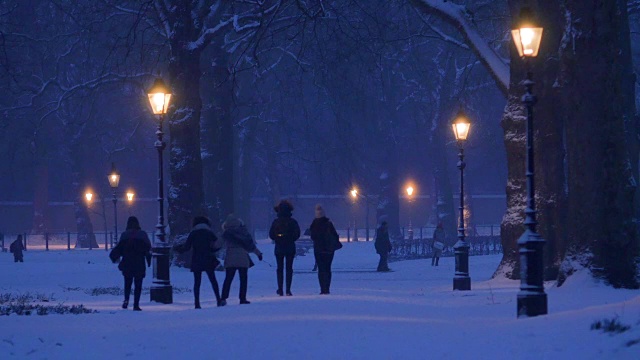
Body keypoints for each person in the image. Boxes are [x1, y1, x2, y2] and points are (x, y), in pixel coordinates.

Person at [175, 216, 224, 309]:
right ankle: (218, 299)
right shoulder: (209, 233)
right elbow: (215, 246)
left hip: (197, 259)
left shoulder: (193, 233)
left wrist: (178, 249)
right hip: (208, 258)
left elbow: (186, 247)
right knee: (213, 280)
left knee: (197, 282)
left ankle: (197, 303)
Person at [109, 216, 151, 311]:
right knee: (138, 284)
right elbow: (148, 248)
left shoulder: (124, 235)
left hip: (127, 262)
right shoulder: (143, 235)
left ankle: (126, 300)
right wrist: (148, 260)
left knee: (127, 283)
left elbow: (120, 249)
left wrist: (115, 257)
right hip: (139, 263)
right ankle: (136, 304)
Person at [220, 214, 263, 305]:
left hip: (230, 257)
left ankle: (223, 298)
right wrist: (258, 254)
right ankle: (242, 298)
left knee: (228, 279)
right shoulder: (244, 232)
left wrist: (210, 248)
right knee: (243, 279)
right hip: (243, 258)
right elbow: (251, 246)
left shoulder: (226, 233)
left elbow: (218, 244)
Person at [269, 200, 300, 296]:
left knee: (280, 268)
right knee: (289, 268)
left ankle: (280, 288)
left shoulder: (276, 222)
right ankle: (288, 289)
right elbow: (297, 234)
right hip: (290, 247)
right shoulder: (293, 222)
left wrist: (278, 238)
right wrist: (290, 239)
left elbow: (271, 235)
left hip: (279, 247)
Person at [309, 205, 341, 295]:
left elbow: (313, 236)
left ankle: (322, 288)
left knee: (321, 269)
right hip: (329, 250)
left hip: (318, 249)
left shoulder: (314, 224)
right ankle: (327, 288)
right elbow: (334, 235)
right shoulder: (329, 223)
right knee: (328, 268)